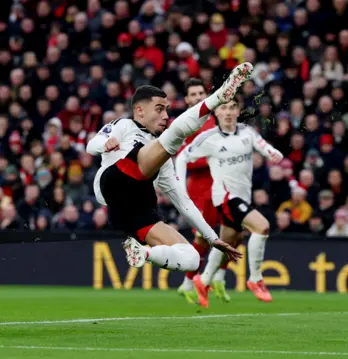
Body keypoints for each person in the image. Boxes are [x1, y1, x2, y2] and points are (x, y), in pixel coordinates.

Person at [86, 63, 253, 274]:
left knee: (191, 259)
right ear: (139, 110)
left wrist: (213, 238)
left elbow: (183, 202)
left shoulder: (163, 160)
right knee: (171, 138)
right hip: (113, 182)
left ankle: (143, 253)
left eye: (166, 109)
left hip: (132, 213)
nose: (165, 115)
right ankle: (220, 95)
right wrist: (105, 143)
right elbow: (91, 145)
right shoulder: (124, 126)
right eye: (159, 109)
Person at [175, 94, 283, 308]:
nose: (228, 112)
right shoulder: (209, 139)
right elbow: (182, 156)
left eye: (233, 107)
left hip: (242, 196)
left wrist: (273, 152)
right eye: (223, 108)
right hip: (225, 197)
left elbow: (262, 145)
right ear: (216, 112)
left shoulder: (247, 132)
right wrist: (179, 183)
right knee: (262, 227)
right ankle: (256, 279)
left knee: (229, 242)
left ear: (237, 111)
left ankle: (203, 280)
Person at [174, 79, 223, 304]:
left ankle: (199, 280)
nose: (197, 97)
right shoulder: (184, 123)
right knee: (204, 236)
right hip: (198, 188)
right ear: (186, 99)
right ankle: (196, 280)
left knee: (230, 232)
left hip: (218, 184)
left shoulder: (213, 120)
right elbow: (184, 158)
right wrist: (211, 156)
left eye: (200, 93)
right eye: (192, 94)